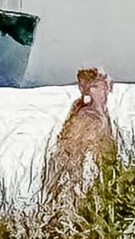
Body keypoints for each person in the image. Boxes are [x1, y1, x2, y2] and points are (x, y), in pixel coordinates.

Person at [44, 67, 118, 202]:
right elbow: (71, 148)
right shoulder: (87, 115)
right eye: (96, 86)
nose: (103, 89)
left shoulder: (103, 112)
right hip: (79, 174)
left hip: (101, 172)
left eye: (104, 85)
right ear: (88, 90)